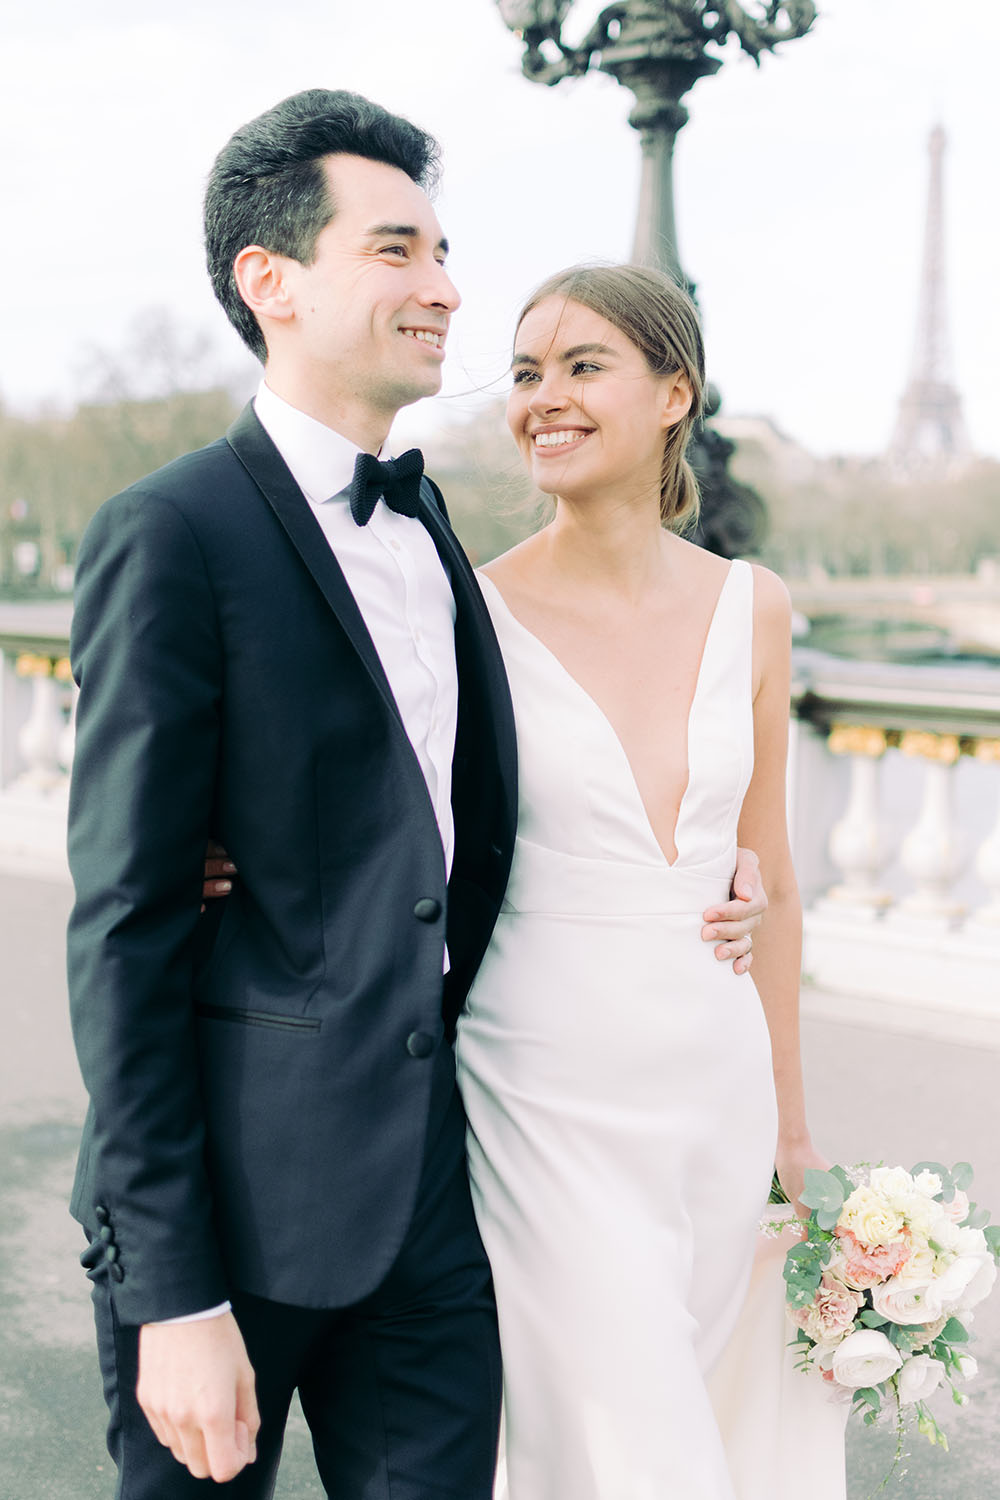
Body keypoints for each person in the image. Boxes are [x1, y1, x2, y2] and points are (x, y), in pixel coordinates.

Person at [66, 90, 766, 1499]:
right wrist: (173, 1294)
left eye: (446, 252)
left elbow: (478, 815)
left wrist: (708, 869)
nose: (446, 288)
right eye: (398, 251)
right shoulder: (170, 534)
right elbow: (125, 934)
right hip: (241, 1222)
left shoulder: (436, 527)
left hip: (441, 1209)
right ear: (271, 282)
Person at [451, 265, 842, 1499]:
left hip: (711, 1088)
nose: (542, 398)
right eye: (524, 373)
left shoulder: (754, 608)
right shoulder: (470, 612)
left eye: (580, 367)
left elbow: (770, 875)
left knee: (706, 1420)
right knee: (630, 1439)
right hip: (539, 1088)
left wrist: (788, 1120)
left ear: (675, 393)